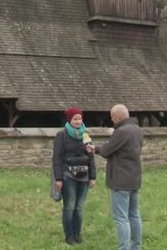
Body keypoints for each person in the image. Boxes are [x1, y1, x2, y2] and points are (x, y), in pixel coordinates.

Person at [87, 104, 143, 250]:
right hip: (134, 177)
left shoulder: (121, 131)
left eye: (112, 117)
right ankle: (136, 246)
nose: (112, 120)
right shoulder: (137, 129)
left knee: (121, 218)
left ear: (118, 116)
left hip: (120, 179)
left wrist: (96, 149)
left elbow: (107, 151)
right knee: (134, 215)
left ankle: (124, 248)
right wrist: (98, 148)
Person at [52, 107, 97, 245]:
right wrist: (58, 178)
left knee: (79, 207)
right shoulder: (62, 135)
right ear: (69, 120)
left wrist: (93, 176)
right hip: (68, 175)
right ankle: (69, 236)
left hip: (84, 175)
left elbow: (91, 157)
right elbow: (57, 158)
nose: (78, 121)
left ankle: (78, 234)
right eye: (75, 119)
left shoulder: (85, 135)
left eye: (80, 118)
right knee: (70, 206)